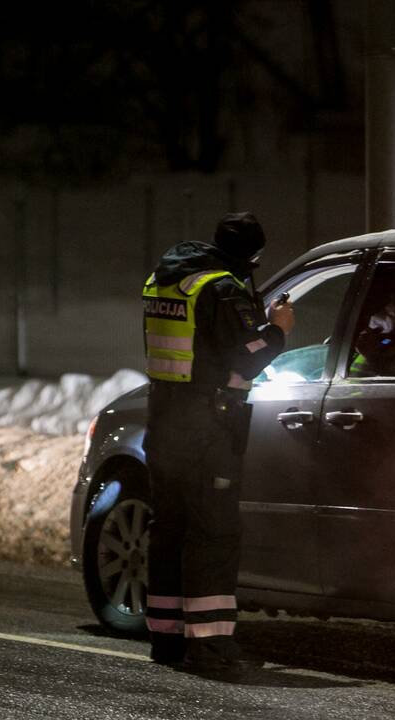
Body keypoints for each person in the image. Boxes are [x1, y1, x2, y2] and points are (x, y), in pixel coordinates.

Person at [141, 211, 294, 673]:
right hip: (206, 429)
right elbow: (249, 357)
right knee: (213, 534)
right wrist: (278, 328)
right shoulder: (222, 288)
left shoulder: (166, 280)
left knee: (169, 530)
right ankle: (211, 645)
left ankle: (165, 638)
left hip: (165, 420)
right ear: (253, 254)